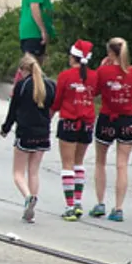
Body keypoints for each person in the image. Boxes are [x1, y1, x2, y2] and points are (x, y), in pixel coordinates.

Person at [89, 36, 132, 221]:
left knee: (100, 162)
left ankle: (100, 203)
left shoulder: (104, 72)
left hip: (107, 118)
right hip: (127, 119)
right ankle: (119, 207)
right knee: (122, 164)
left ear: (109, 53)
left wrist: (100, 68)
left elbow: (93, 92)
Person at [2, 49, 55, 222]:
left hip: (25, 132)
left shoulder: (22, 86)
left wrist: (5, 128)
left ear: (23, 70)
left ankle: (27, 198)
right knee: (34, 171)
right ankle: (32, 204)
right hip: (43, 133)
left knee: (18, 172)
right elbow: (52, 107)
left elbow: (13, 111)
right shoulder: (49, 85)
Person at [52, 39, 99, 221]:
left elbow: (57, 100)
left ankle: (69, 206)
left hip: (69, 120)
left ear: (73, 57)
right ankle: (78, 202)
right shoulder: (94, 76)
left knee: (67, 164)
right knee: (79, 163)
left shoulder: (65, 76)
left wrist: (50, 114)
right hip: (87, 122)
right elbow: (94, 93)